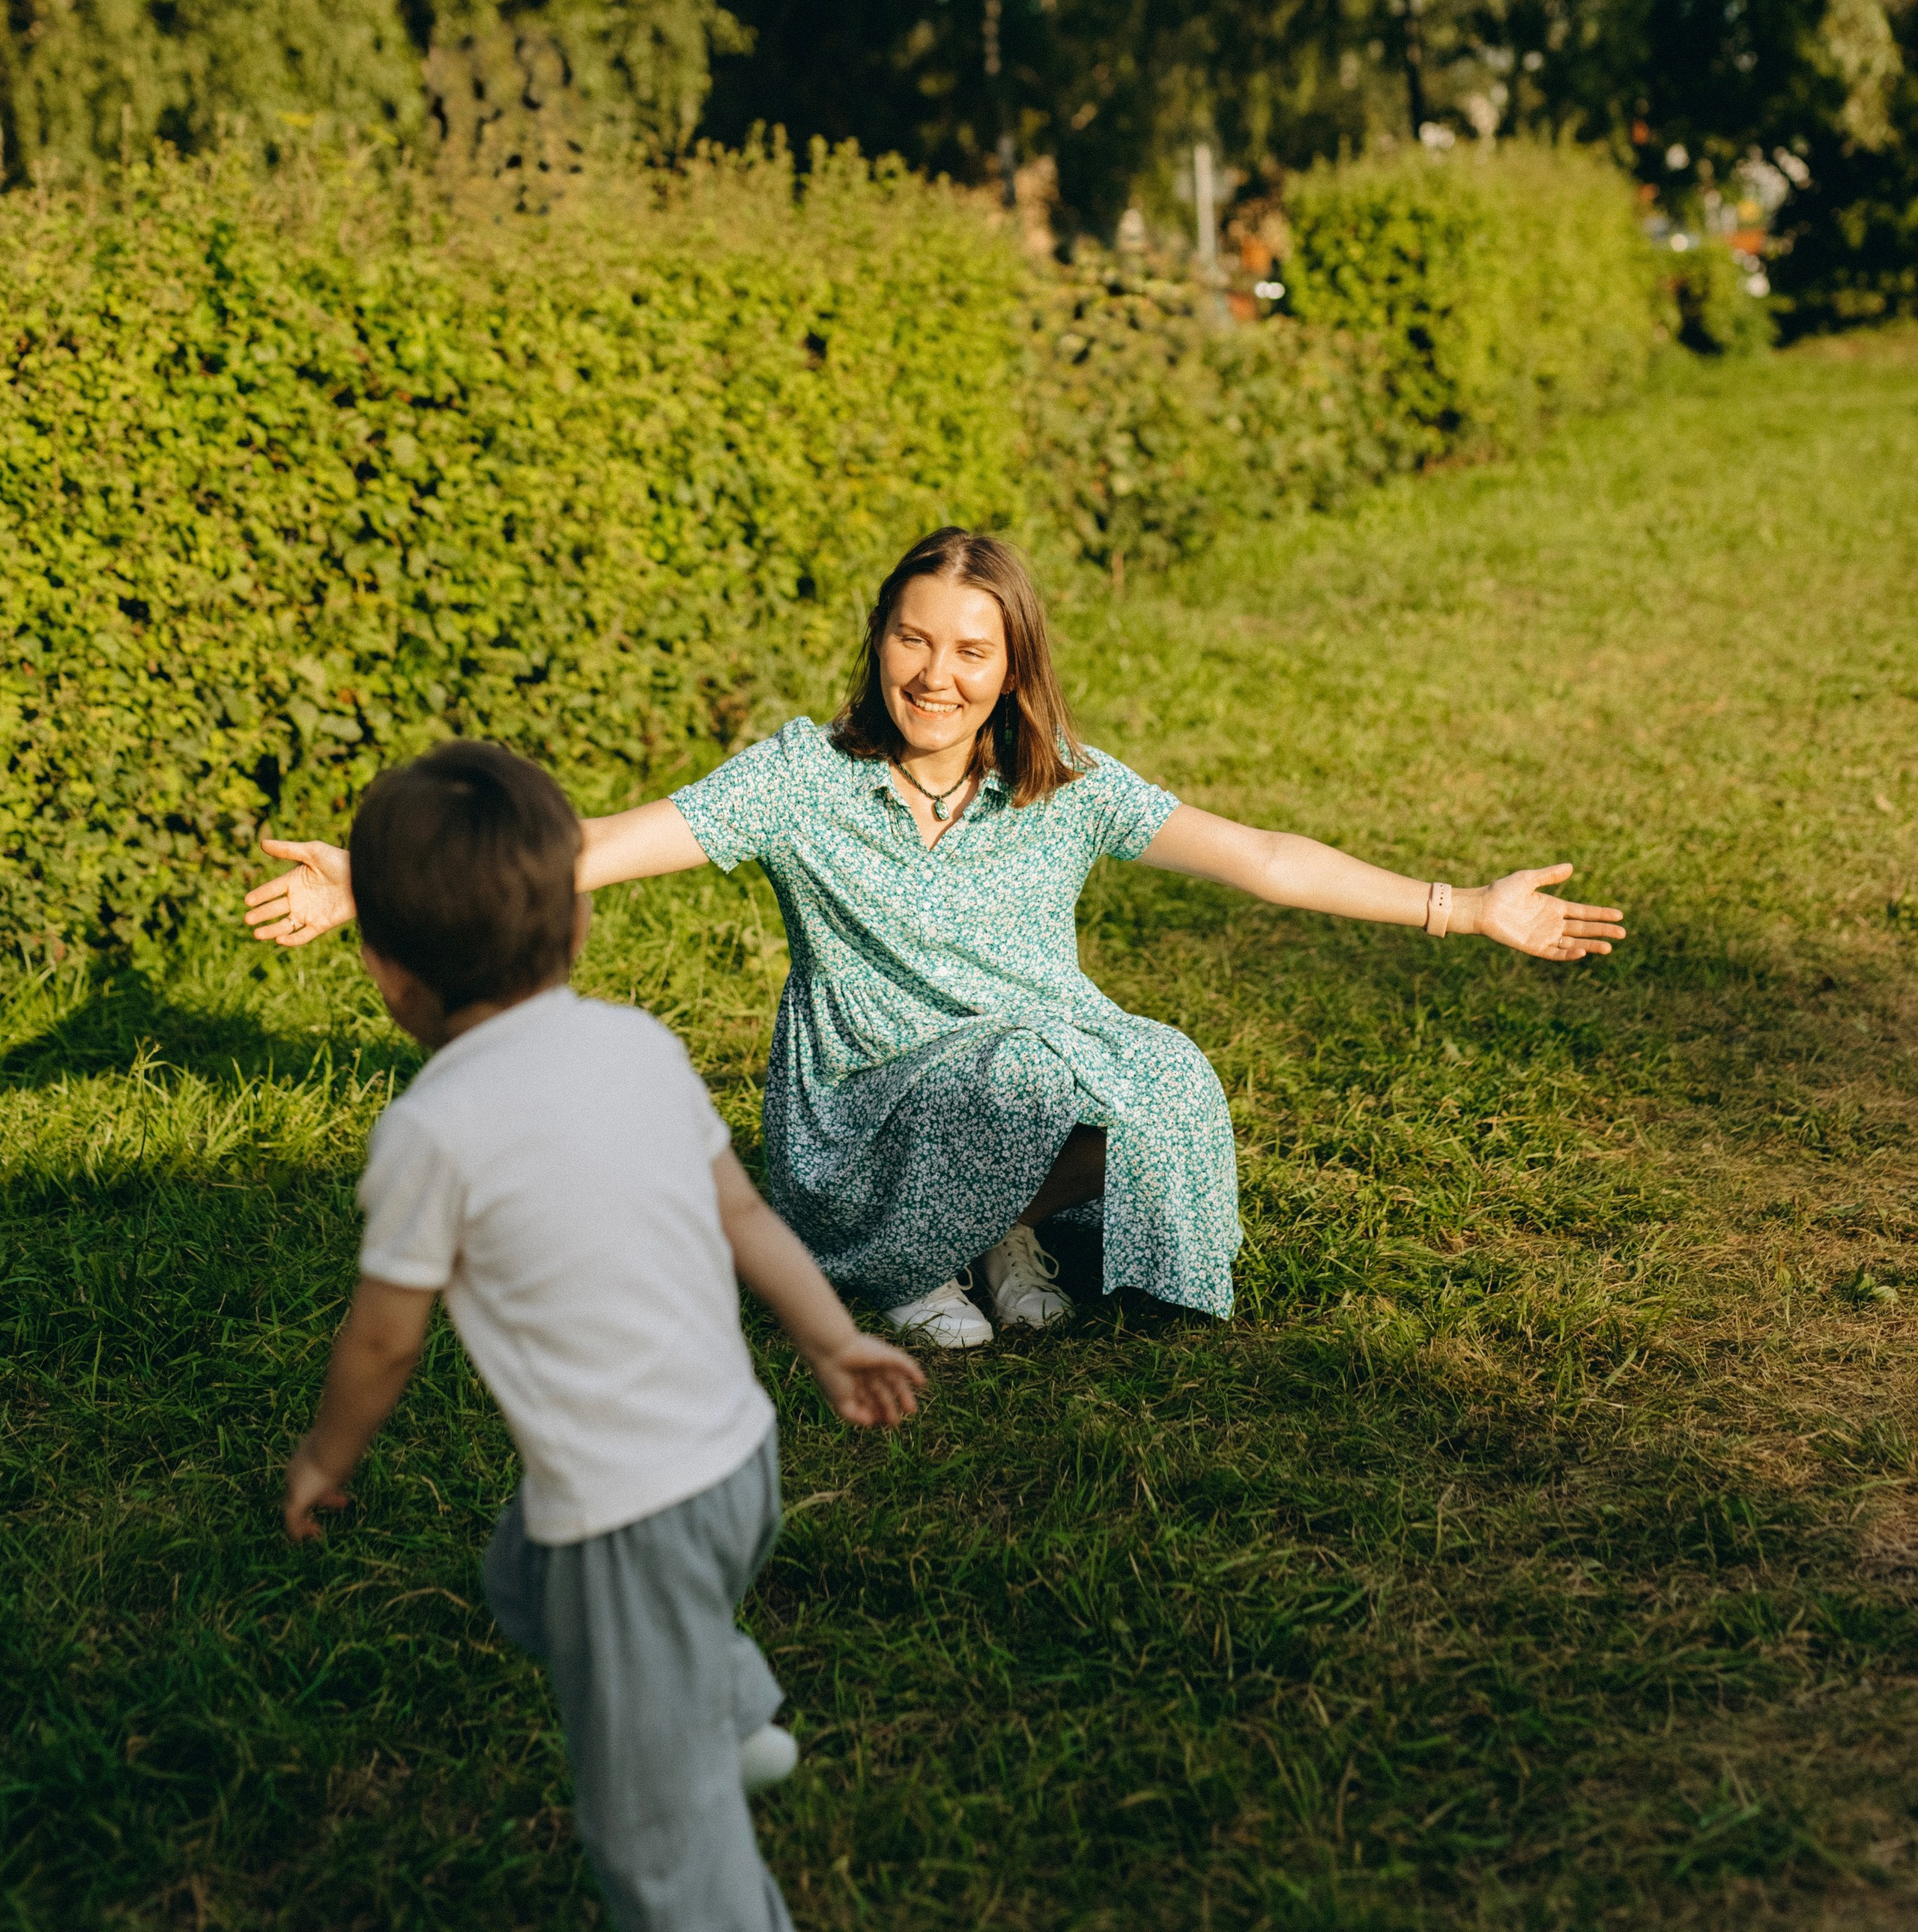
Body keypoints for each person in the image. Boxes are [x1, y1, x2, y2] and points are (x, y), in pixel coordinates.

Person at [248, 527, 1627, 1354]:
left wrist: (1469, 908)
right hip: (863, 1110)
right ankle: (913, 1256)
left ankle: (1000, 1237)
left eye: (973, 652)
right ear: (880, 646)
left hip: (1029, 1070)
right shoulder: (800, 779)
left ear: (1011, 667)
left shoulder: (1065, 782)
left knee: (1162, 1070)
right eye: (915, 642)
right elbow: (591, 847)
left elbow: (1261, 860)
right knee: (1032, 1063)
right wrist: (376, 886)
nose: (937, 676)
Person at [280, 741, 923, 1932]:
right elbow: (743, 1214)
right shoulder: (640, 1045)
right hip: (741, 1466)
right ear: (578, 925)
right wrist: (833, 1343)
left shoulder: (434, 1130)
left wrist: (326, 1459)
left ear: (382, 971)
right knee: (525, 1573)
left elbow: (383, 1343)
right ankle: (724, 1707)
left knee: (656, 1839)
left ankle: (706, 1811)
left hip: (630, 1520)